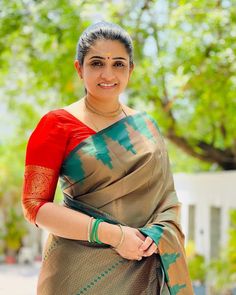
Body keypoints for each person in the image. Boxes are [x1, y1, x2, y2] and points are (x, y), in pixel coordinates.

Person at [22, 21, 193, 295]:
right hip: (78, 271)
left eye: (118, 64)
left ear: (131, 70)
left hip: (142, 262)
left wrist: (153, 237)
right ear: (79, 68)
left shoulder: (146, 127)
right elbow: (34, 205)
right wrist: (115, 235)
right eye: (97, 63)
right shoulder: (56, 125)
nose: (108, 74)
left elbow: (167, 200)